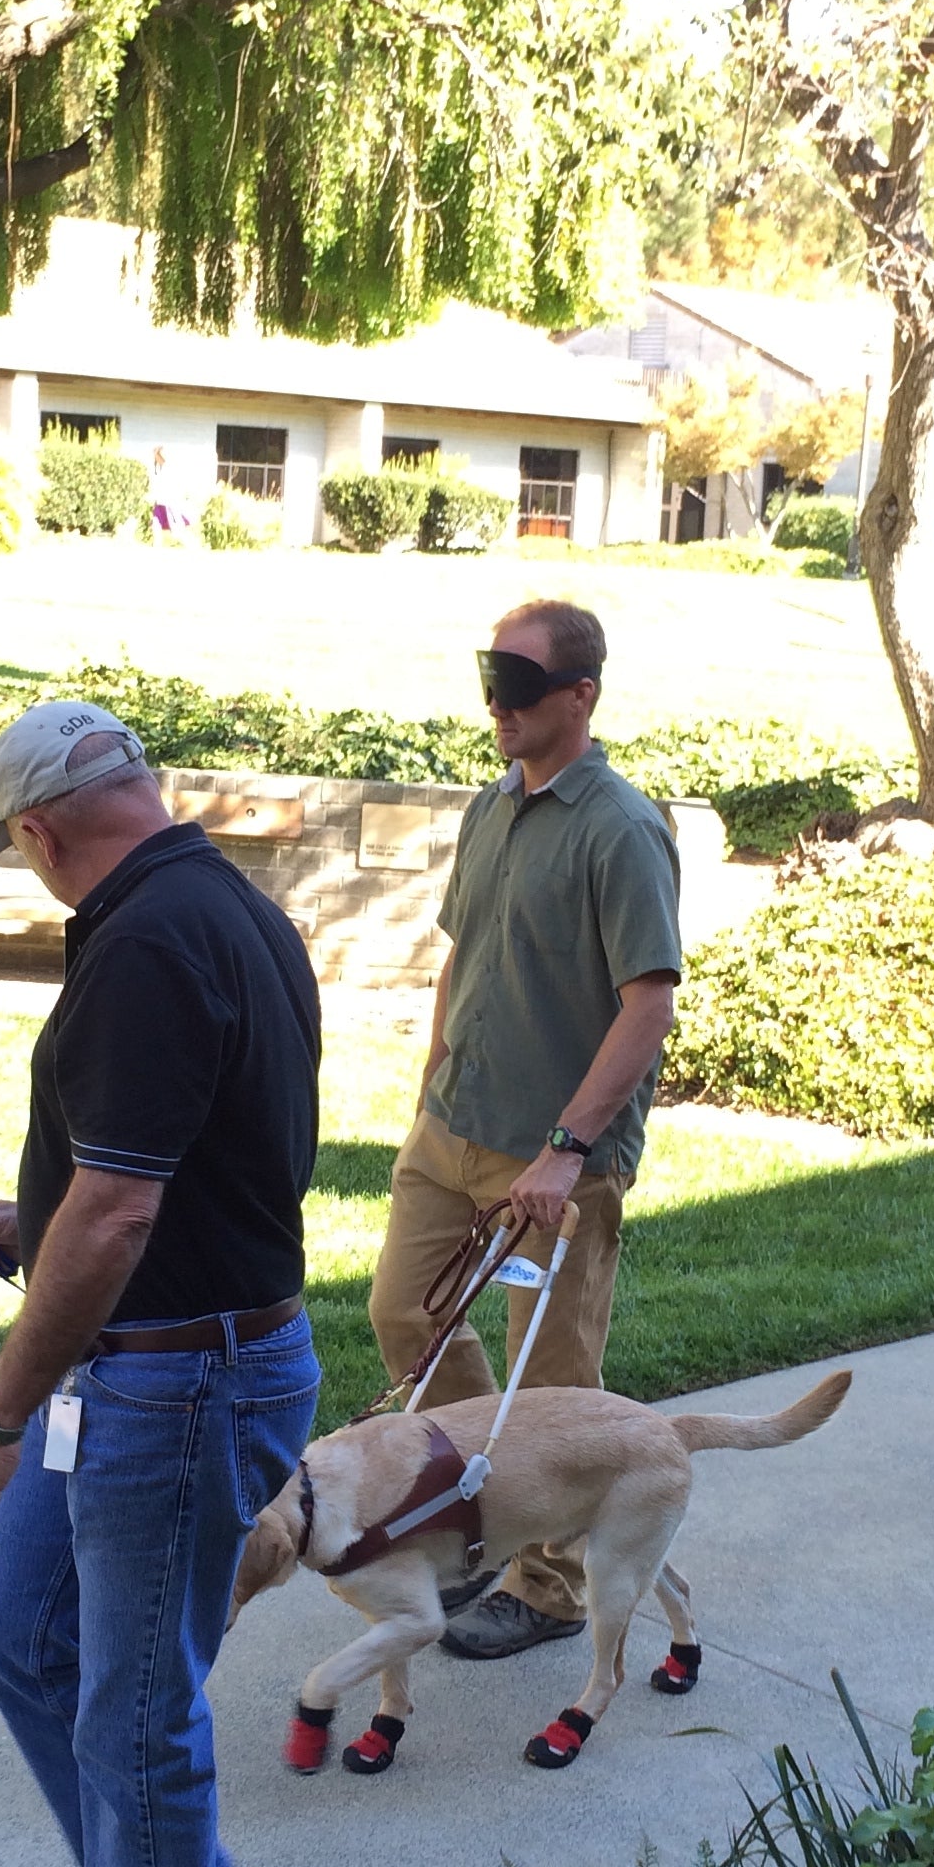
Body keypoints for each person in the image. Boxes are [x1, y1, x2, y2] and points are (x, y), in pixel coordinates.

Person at [0, 698, 322, 1867]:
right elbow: (162, 1179)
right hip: (169, 1354)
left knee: (139, 1702)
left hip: (180, 1380)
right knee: (21, 1631)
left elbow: (124, 1207)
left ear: (37, 830)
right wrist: (24, 1219)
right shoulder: (218, 903)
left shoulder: (149, 940)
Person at [366, 598, 682, 1659]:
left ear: (581, 695)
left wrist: (570, 1148)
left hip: (554, 1158)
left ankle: (548, 1585)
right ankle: (481, 1512)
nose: (498, 704)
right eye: (488, 678)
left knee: (553, 1376)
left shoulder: (621, 829)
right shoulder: (492, 808)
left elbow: (648, 1003)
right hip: (454, 1128)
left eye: (521, 684)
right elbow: (464, 950)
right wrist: (432, 1072)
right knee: (407, 1315)